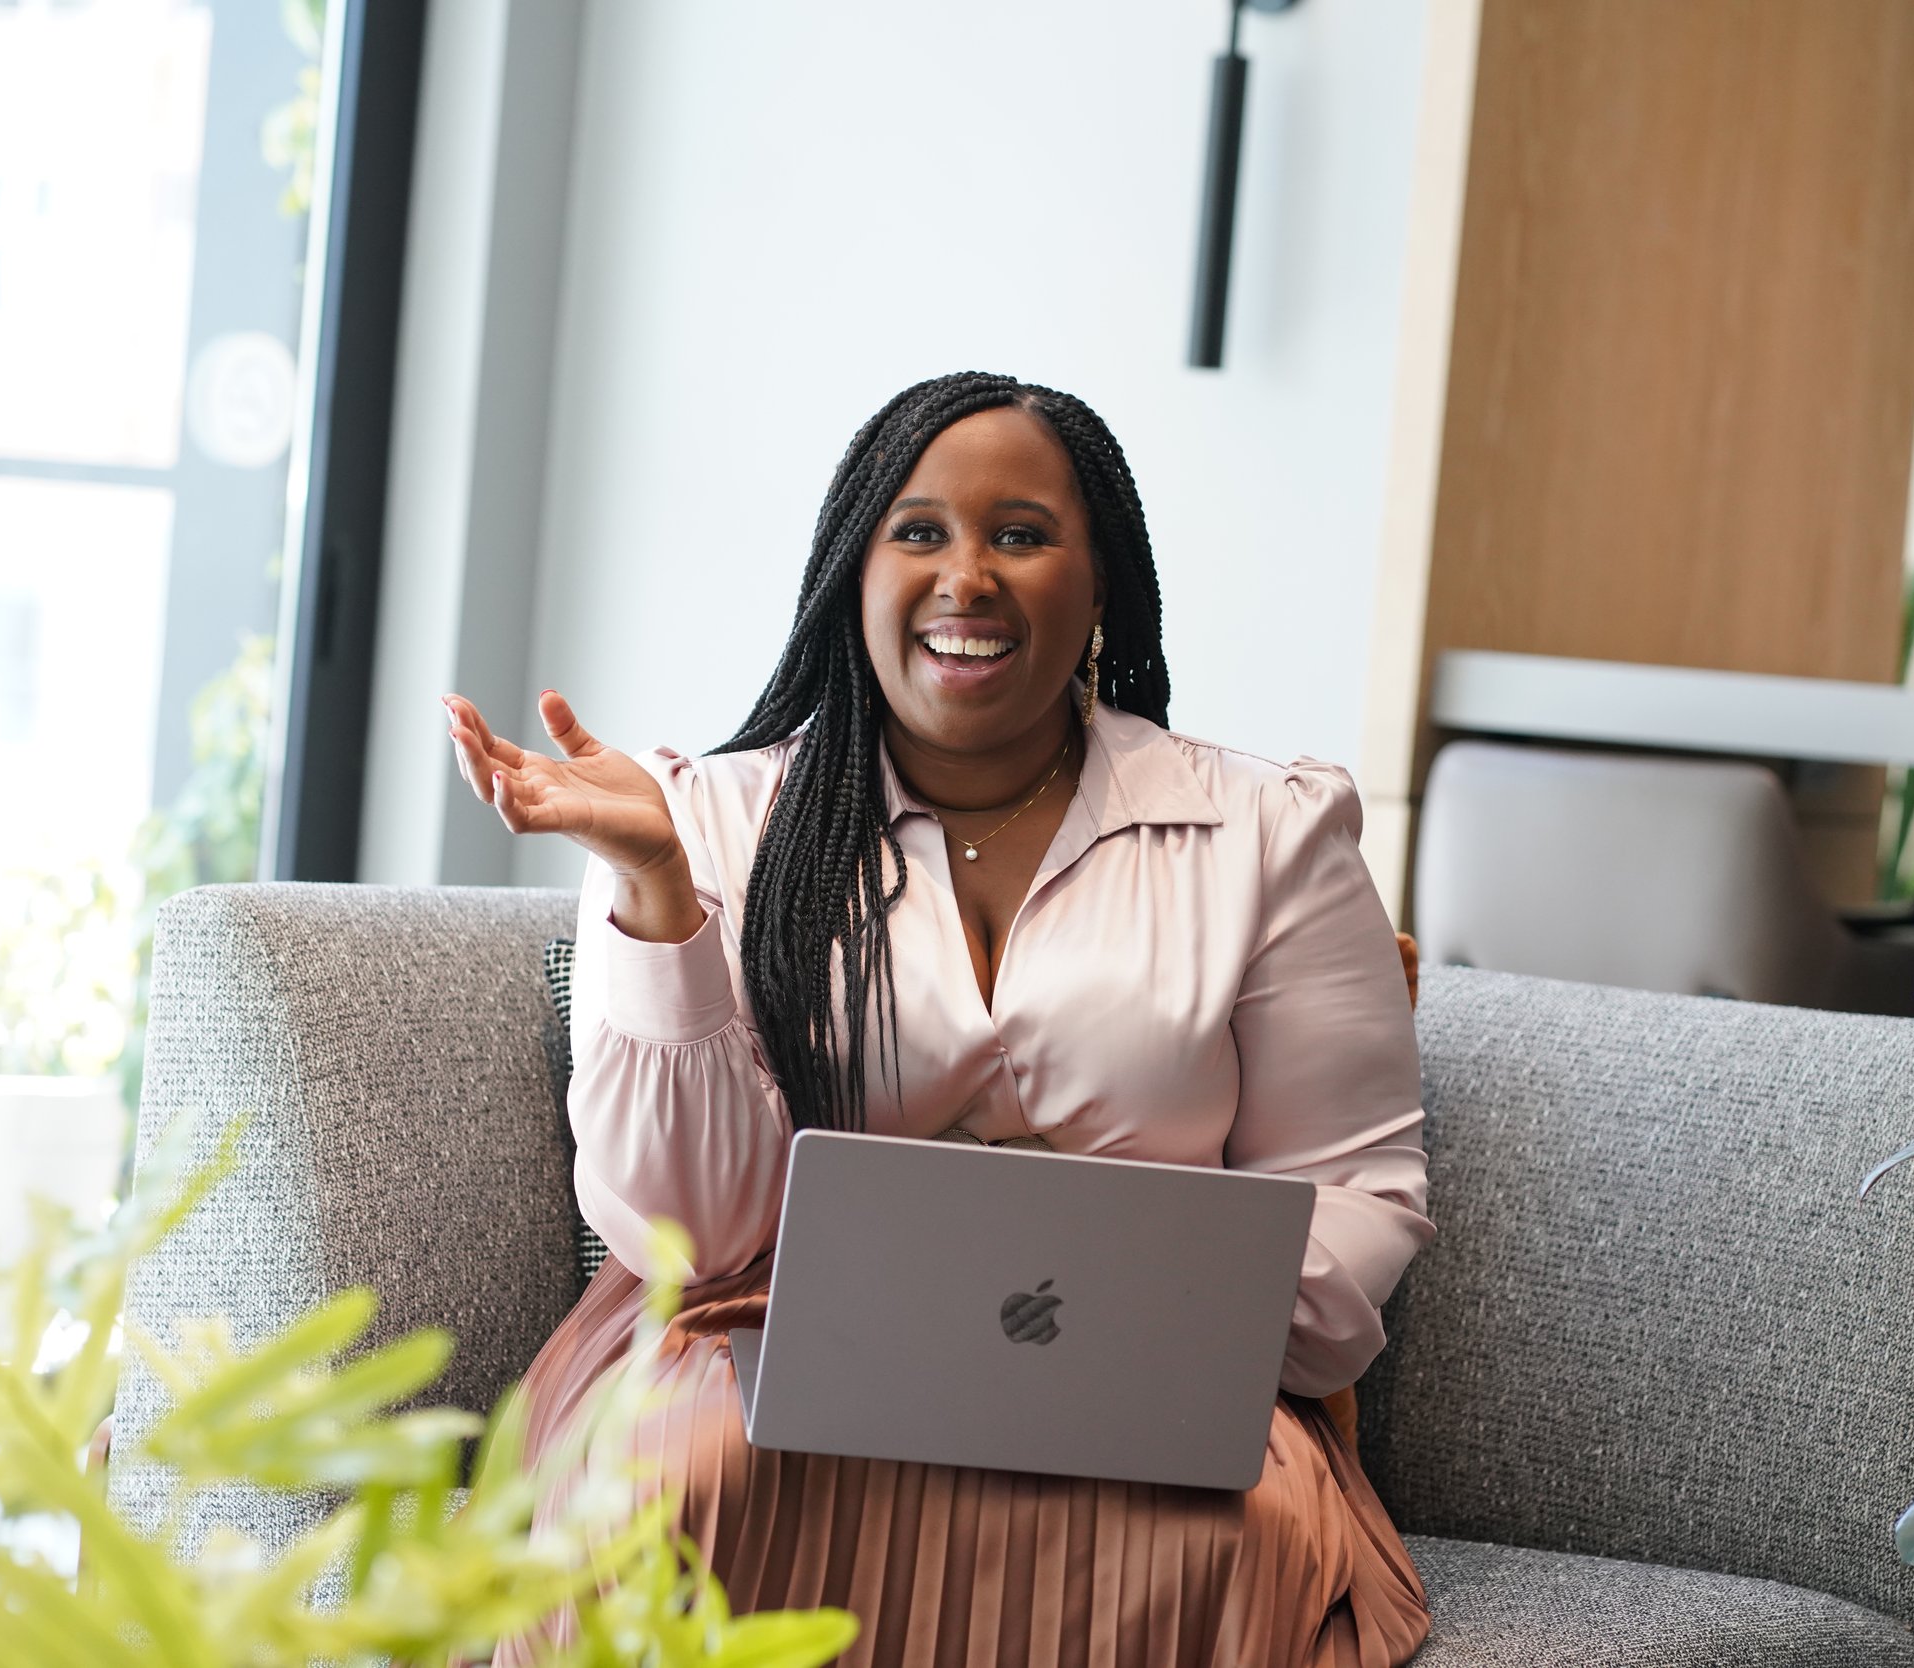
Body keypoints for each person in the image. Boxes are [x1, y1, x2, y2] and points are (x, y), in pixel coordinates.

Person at [451, 372, 1434, 1668]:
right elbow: (687, 1237)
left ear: (1101, 582)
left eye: (1020, 534)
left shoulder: (1268, 832)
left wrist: (1168, 1317)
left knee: (1232, 1526)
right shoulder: (700, 823)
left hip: (1153, 1378)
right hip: (757, 1353)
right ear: (853, 577)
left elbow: (1355, 1189)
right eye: (918, 532)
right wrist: (658, 896)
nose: (965, 577)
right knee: (693, 1480)